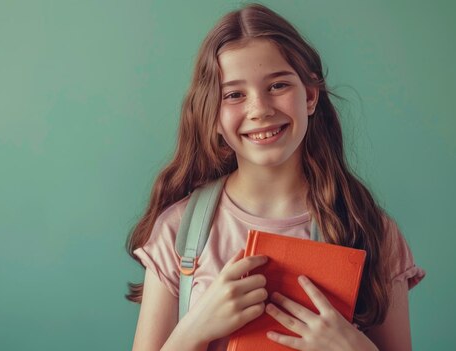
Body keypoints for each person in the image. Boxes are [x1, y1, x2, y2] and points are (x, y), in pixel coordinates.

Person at [125, 3, 424, 351]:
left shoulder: (371, 231)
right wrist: (194, 330)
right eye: (234, 94)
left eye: (278, 85)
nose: (260, 109)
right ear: (212, 114)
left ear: (310, 96)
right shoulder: (179, 232)